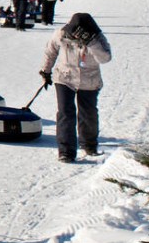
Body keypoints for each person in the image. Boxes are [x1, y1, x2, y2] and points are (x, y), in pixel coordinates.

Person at [39, 13, 112, 163]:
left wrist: (91, 42)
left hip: (89, 80)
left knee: (88, 113)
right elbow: (51, 50)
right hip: (65, 77)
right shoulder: (62, 33)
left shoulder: (98, 38)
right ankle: (66, 151)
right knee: (65, 112)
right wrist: (46, 71)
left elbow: (105, 58)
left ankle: (89, 145)